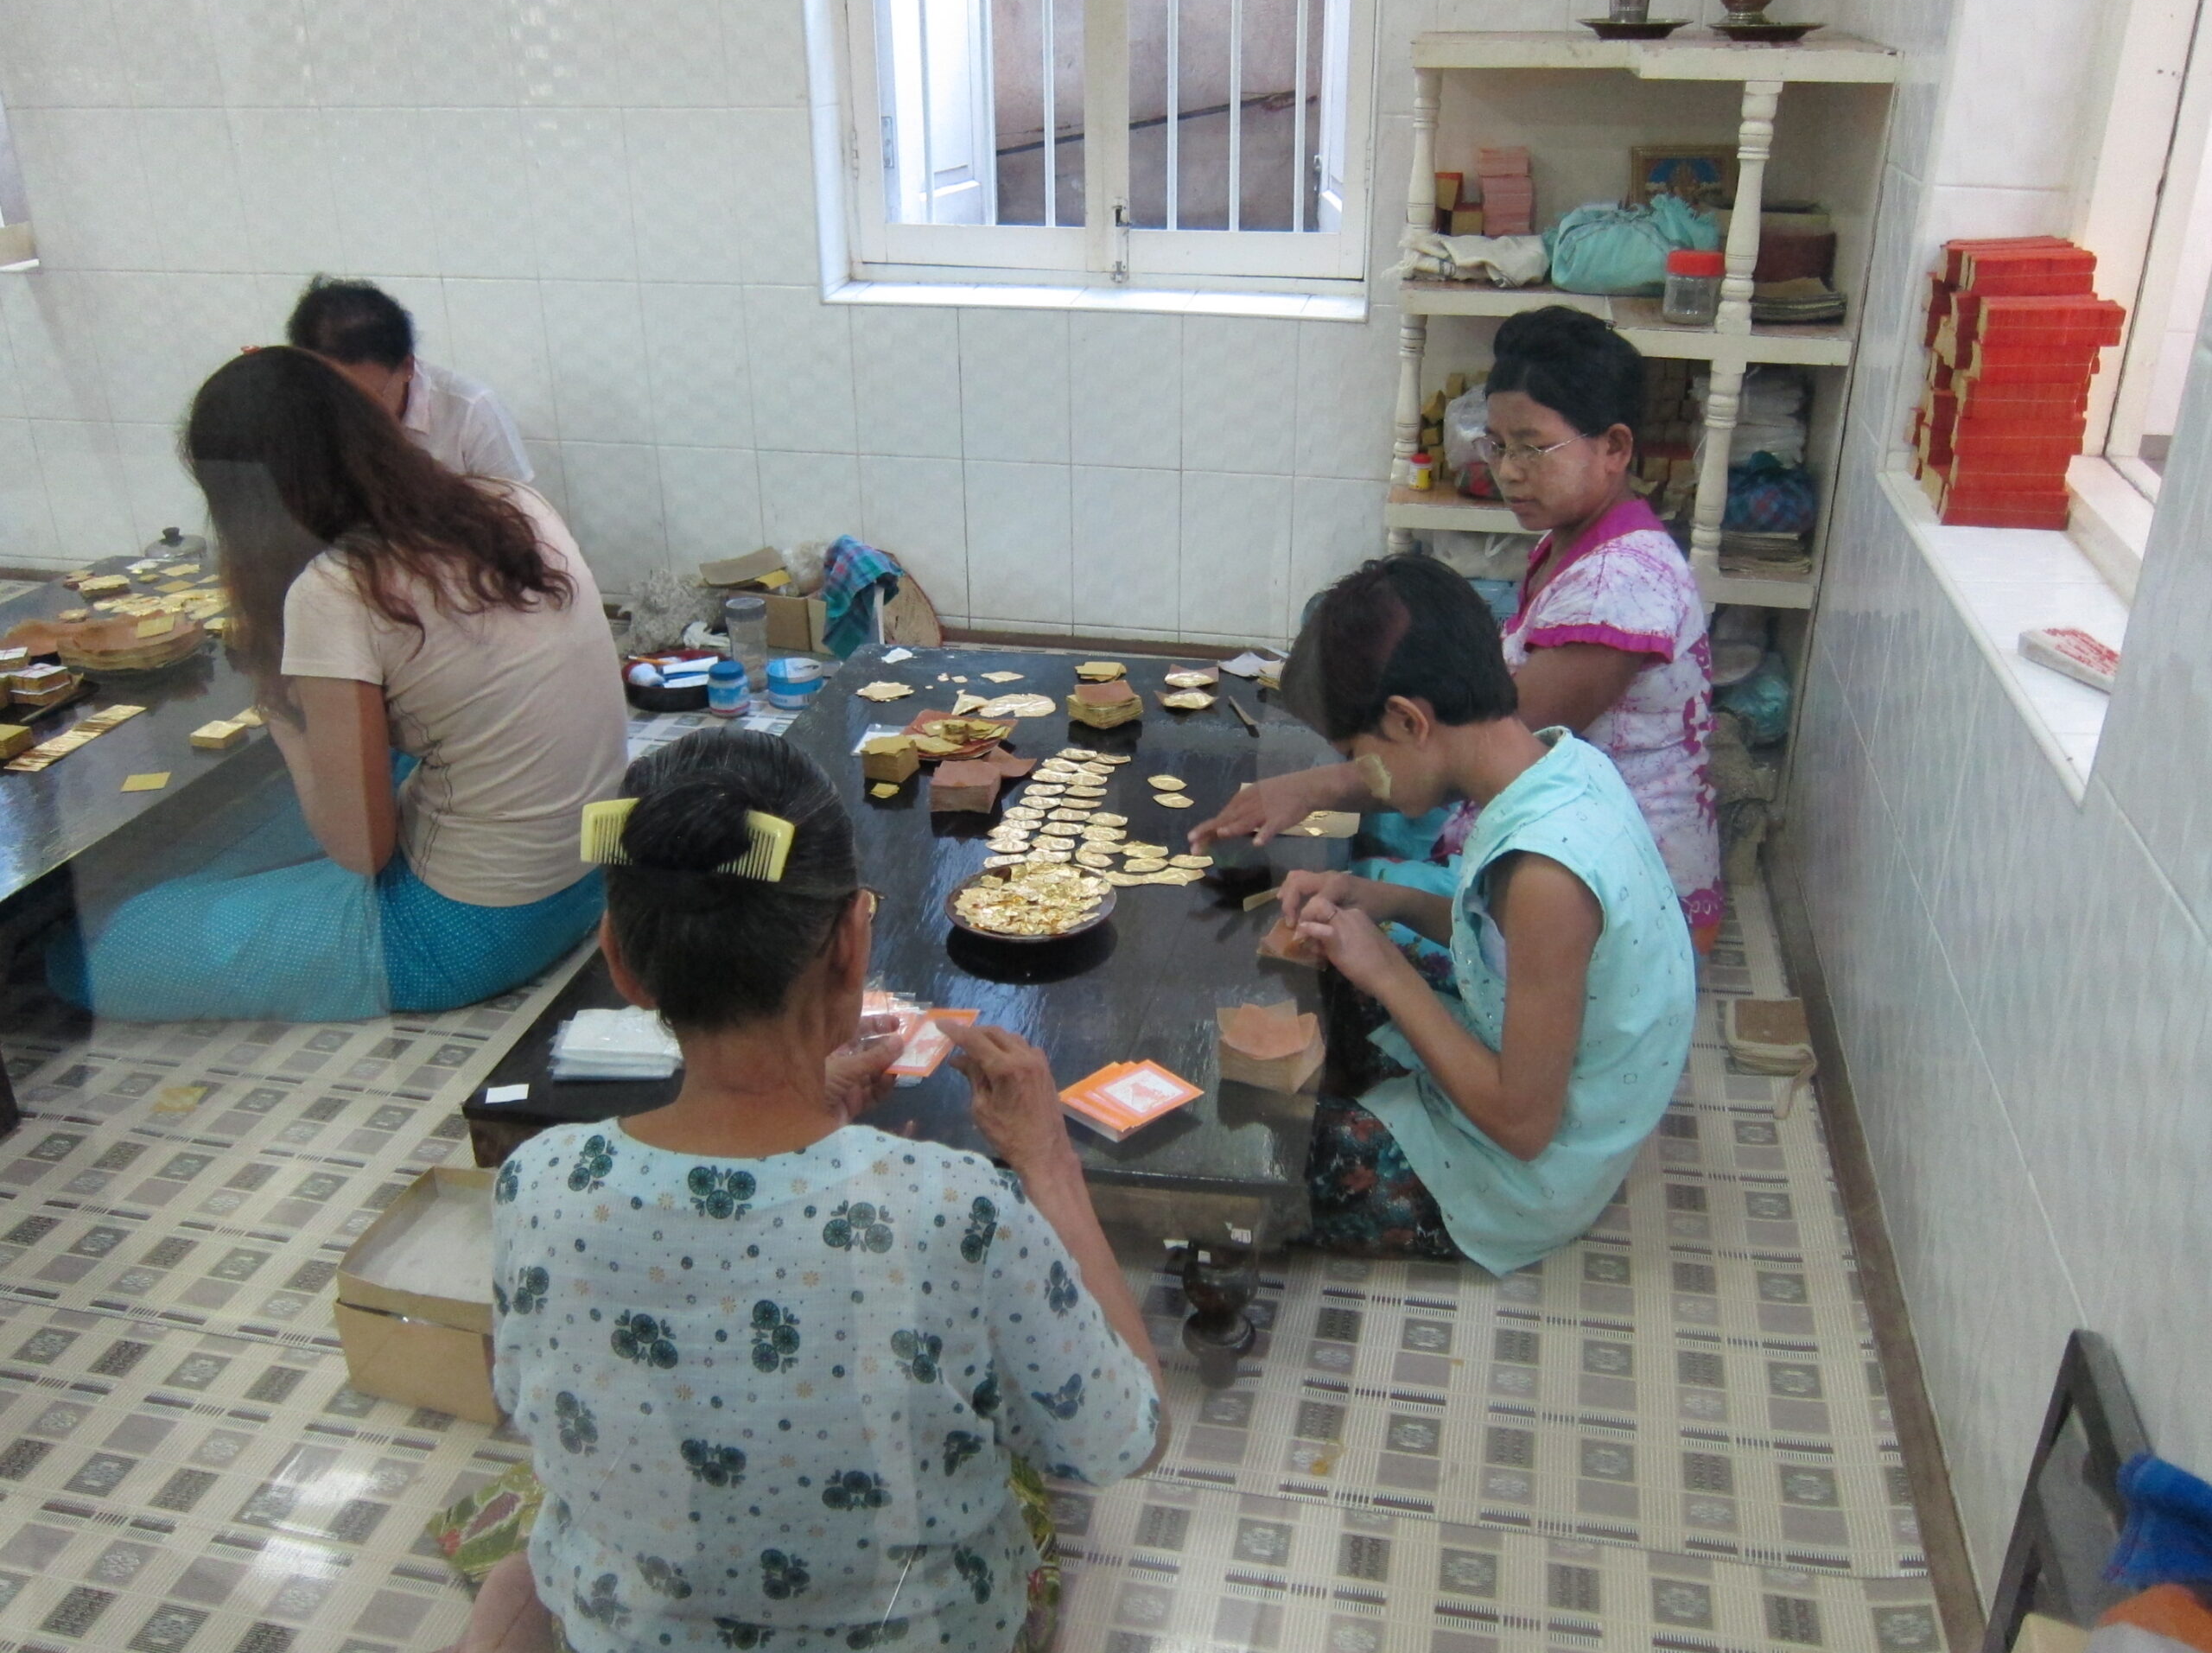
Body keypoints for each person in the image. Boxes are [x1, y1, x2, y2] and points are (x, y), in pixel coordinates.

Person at [469, 729, 1164, 1653]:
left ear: (620, 961)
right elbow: (1125, 1438)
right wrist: (1050, 1166)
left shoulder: (541, 1185)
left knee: (523, 1559)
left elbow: (526, 1397)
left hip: (644, 1632)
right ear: (850, 945)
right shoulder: (960, 1212)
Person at [48, 346, 626, 1020]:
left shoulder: (336, 589)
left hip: (469, 934)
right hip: (597, 877)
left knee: (91, 950)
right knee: (253, 835)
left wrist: (284, 718)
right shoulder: (512, 503)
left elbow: (361, 851)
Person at [1193, 305, 1723, 946]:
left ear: (1614, 447)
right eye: (1497, 445)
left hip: (1616, 900)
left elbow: (1475, 744)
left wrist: (1311, 788)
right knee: (1371, 832)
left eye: (1533, 447)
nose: (1509, 470)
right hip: (1556, 833)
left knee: (1340, 898)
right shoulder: (1570, 541)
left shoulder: (1620, 585)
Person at [1272, 555, 1696, 1268]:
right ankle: (1358, 1081)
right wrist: (1386, 900)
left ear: (1407, 721)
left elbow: (1524, 1127)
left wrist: (1387, 973)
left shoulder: (1546, 875)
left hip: (1517, 1177)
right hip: (1518, 1075)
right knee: (1327, 968)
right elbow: (1505, 943)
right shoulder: (1561, 766)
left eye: (1358, 755)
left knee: (1258, 1158)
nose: (1360, 778)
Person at [286, 275, 535, 484]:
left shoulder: (471, 409)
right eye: (331, 396)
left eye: (367, 397)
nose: (350, 412)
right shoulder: (296, 408)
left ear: (407, 367)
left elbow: (517, 514)